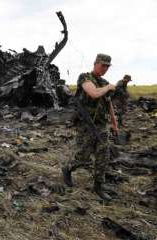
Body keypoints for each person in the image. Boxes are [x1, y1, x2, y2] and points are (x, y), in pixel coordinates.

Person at [62, 53, 117, 201]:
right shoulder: (85, 78)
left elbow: (109, 103)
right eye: (102, 65)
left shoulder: (104, 82)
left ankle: (98, 186)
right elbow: (93, 93)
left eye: (107, 66)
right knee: (83, 157)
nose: (105, 69)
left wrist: (114, 123)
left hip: (101, 125)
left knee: (103, 156)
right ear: (95, 63)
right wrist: (108, 87)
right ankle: (67, 169)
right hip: (86, 125)